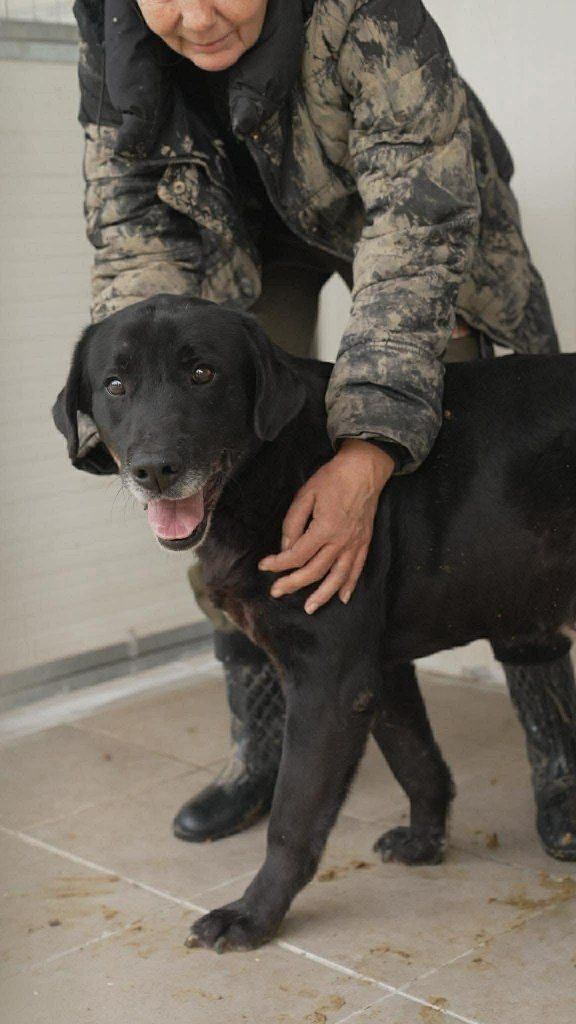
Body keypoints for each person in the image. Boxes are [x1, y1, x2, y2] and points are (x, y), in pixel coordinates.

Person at [72, 0, 576, 858]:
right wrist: (144, 410)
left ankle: (560, 757)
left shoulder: (364, 12)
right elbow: (130, 229)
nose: (196, 18)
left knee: (500, 492)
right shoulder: (112, 32)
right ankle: (264, 750)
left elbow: (417, 226)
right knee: (228, 492)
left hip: (413, 224)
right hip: (240, 248)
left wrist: (370, 447)